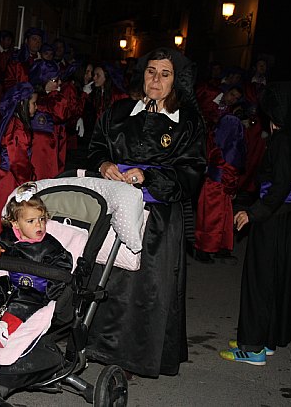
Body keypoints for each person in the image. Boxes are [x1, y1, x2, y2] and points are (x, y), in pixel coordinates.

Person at [86, 47, 206, 377]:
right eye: (151, 71)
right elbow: (95, 146)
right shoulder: (120, 111)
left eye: (164, 74)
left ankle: (133, 356)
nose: (155, 79)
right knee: (106, 277)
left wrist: (149, 176)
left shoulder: (188, 123)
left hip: (159, 219)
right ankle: (95, 345)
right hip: (114, 206)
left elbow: (192, 172)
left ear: (176, 80)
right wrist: (104, 163)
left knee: (145, 288)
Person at [220, 82, 291, 365]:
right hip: (289, 220)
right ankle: (265, 338)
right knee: (276, 281)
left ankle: (253, 347)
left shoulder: (281, 141)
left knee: (259, 282)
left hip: (273, 218)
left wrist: (253, 212)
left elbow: (280, 185)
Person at [0, 183, 72, 347]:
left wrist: (51, 292)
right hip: (12, 281)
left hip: (36, 288)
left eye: (42, 219)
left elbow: (63, 267)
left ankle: (4, 327)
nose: (39, 225)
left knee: (24, 299)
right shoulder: (9, 236)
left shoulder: (51, 246)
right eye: (31, 221)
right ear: (15, 224)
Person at [0, 83, 37, 241]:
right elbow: (18, 161)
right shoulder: (17, 128)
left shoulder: (17, 124)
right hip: (8, 180)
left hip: (7, 177)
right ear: (23, 105)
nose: (36, 107)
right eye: (34, 103)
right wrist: (28, 183)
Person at [194, 110, 246, 262]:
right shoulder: (231, 147)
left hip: (213, 185)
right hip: (218, 187)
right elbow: (229, 172)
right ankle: (204, 249)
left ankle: (219, 247)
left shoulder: (218, 143)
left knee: (219, 218)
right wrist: (231, 189)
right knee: (213, 219)